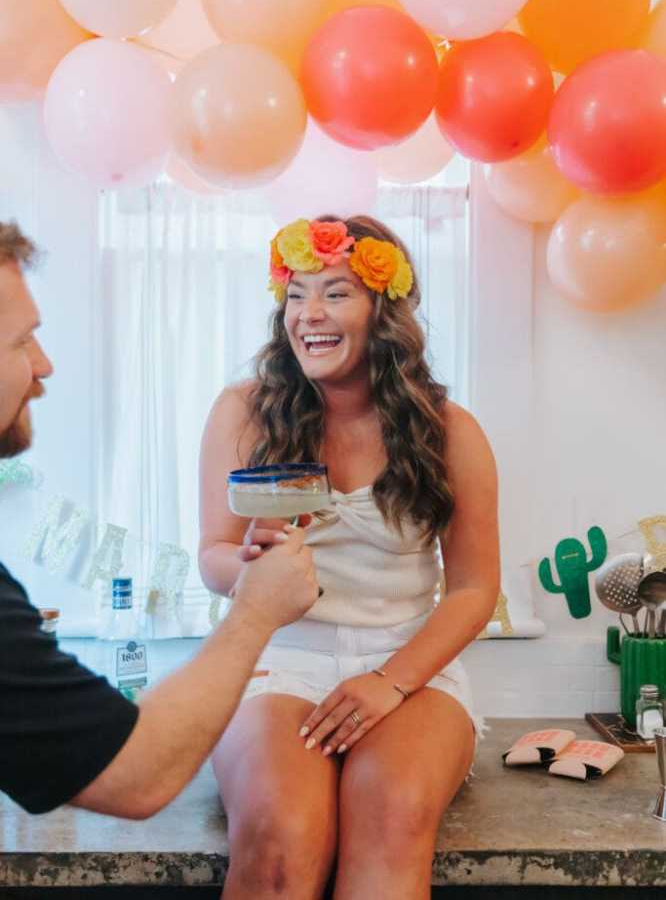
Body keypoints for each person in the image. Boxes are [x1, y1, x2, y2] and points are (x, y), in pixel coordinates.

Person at [199, 215, 501, 899]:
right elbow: (212, 557)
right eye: (297, 294)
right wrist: (249, 566)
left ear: (382, 310)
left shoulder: (450, 431)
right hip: (276, 661)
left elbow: (474, 590)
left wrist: (390, 681)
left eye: (335, 293)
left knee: (390, 811)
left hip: (409, 665)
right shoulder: (245, 412)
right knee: (280, 832)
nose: (309, 314)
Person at [0, 221, 319, 818]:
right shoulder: (241, 409)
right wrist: (254, 611)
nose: (44, 366)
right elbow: (134, 775)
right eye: (21, 342)